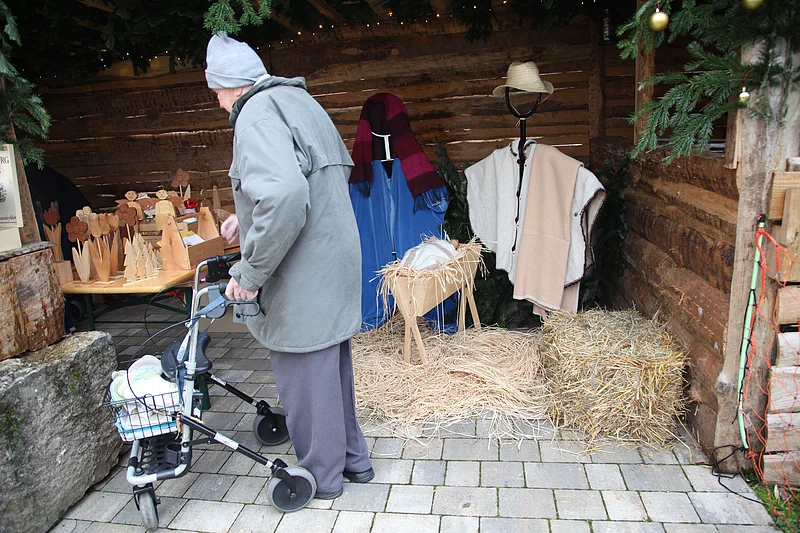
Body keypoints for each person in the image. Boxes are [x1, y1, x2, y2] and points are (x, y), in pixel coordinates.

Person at [204, 33, 373, 499]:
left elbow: (285, 195)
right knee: (330, 368)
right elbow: (302, 181)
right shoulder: (299, 101)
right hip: (334, 259)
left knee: (303, 373)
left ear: (231, 85)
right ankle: (353, 461)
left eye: (216, 92)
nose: (218, 103)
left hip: (304, 272)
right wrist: (248, 215)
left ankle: (321, 477)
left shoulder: (254, 113)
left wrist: (251, 274)